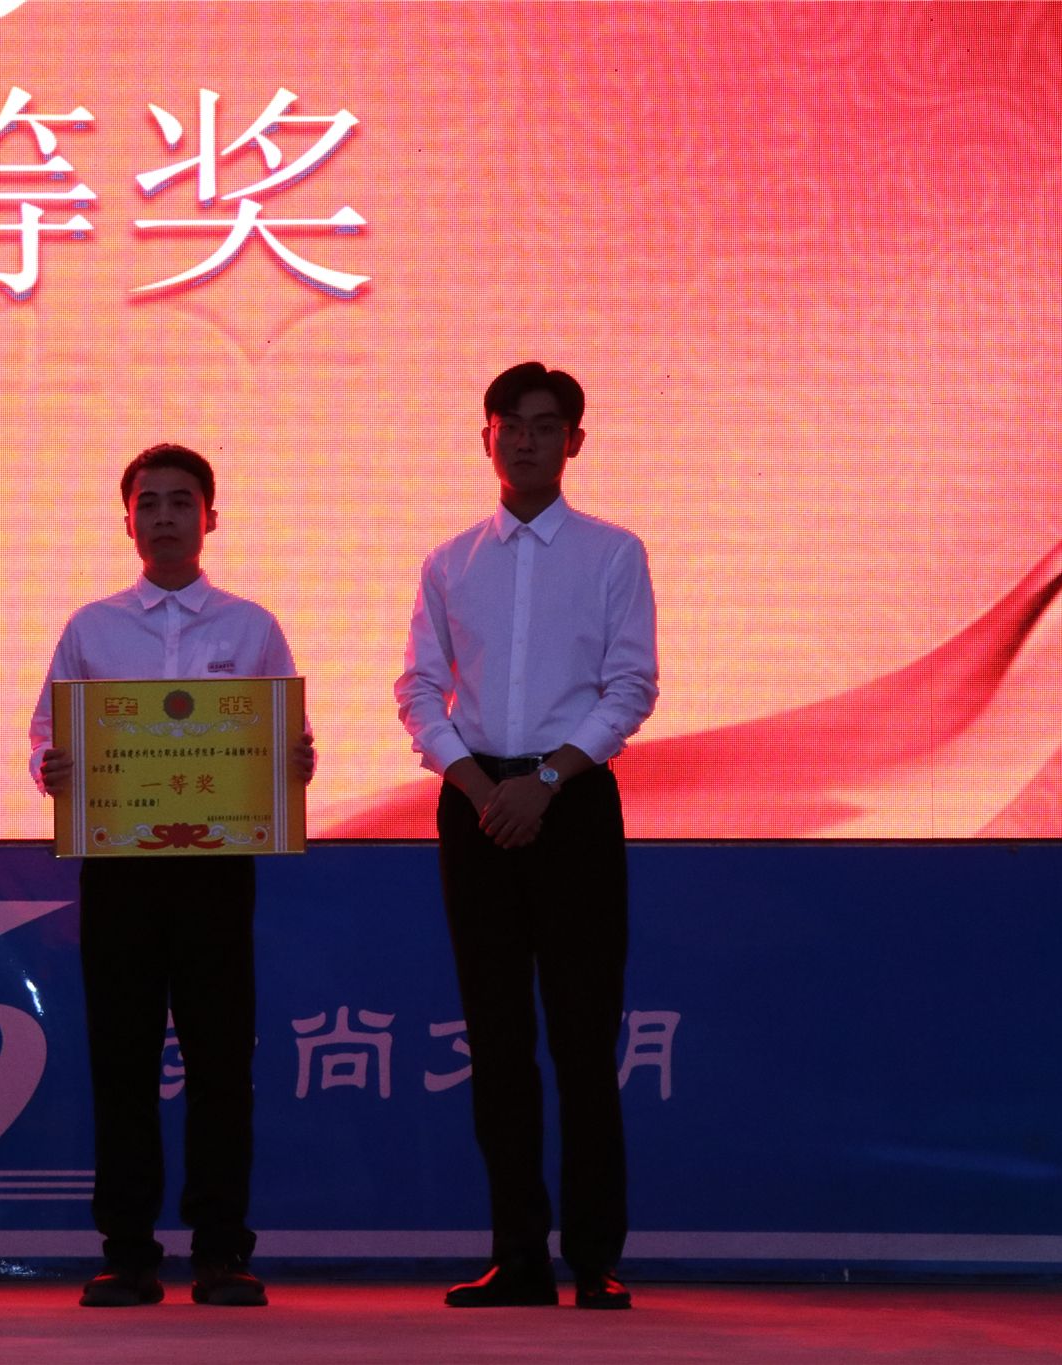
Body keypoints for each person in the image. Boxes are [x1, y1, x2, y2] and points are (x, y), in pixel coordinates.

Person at [397, 362, 658, 1310]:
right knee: (497, 1039)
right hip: (477, 807)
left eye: (546, 426)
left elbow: (631, 687)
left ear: (574, 441)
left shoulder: (613, 553)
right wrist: (479, 786)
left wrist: (543, 783)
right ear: (487, 438)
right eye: (509, 424)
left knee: (584, 1039)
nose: (526, 440)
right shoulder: (450, 561)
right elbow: (419, 691)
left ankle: (594, 1258)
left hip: (572, 802)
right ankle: (517, 1256)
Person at [30, 443, 315, 1309]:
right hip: (119, 871)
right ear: (127, 520)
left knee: (221, 1063)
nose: (164, 516)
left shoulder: (251, 626)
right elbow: (47, 736)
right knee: (121, 1062)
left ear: (209, 517)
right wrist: (52, 767)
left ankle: (222, 1251)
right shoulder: (91, 627)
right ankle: (127, 1252)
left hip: (217, 873)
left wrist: (295, 762)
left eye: (180, 501)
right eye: (148, 502)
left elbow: (283, 745)